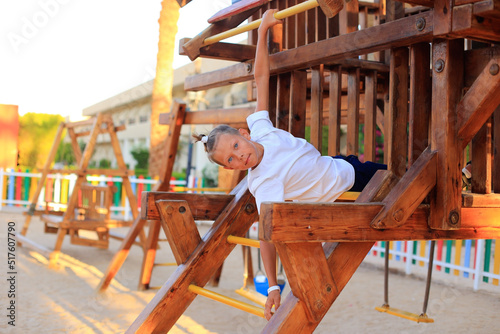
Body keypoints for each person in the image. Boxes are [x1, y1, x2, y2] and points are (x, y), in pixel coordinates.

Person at [193, 9, 387, 320]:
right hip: (348, 184)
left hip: (340, 165)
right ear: (231, 169)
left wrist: (264, 32)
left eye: (236, 146)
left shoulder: (262, 129)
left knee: (394, 172)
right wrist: (272, 287)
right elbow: (267, 235)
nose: (240, 156)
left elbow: (260, 77)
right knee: (393, 180)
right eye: (231, 160)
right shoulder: (262, 183)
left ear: (243, 134)